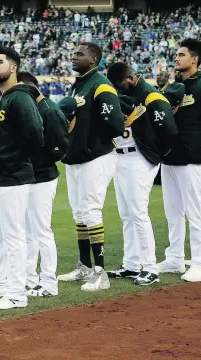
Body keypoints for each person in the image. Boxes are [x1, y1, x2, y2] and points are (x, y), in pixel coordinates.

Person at [0, 47, 45, 309]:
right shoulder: (2, 97)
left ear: (14, 67)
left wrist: (14, 158)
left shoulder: (20, 98)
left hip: (14, 176)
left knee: (14, 236)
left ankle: (18, 292)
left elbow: (36, 134)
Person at [57, 43, 124, 291]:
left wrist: (91, 138)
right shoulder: (79, 84)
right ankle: (85, 266)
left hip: (96, 156)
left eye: (80, 54)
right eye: (73, 53)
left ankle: (100, 273)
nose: (74, 57)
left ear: (94, 59)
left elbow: (115, 125)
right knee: (79, 214)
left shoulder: (101, 85)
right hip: (76, 157)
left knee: (91, 211)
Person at [105, 61, 178, 285]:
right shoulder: (133, 93)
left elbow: (169, 130)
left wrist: (156, 154)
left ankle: (150, 268)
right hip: (121, 156)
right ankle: (131, 264)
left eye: (119, 86)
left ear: (130, 78)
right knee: (126, 214)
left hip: (139, 157)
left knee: (137, 213)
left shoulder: (149, 94)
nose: (117, 90)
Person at [17, 71, 69, 296]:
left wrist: (39, 158)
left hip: (44, 176)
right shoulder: (33, 107)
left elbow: (59, 148)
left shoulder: (49, 109)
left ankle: (49, 282)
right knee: (28, 231)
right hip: (29, 176)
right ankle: (30, 278)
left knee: (41, 231)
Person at [159, 38, 201, 282]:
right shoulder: (174, 86)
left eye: (181, 54)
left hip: (193, 158)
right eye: (176, 55)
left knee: (196, 211)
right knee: (173, 212)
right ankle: (175, 258)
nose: (176, 58)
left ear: (195, 58)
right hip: (170, 157)